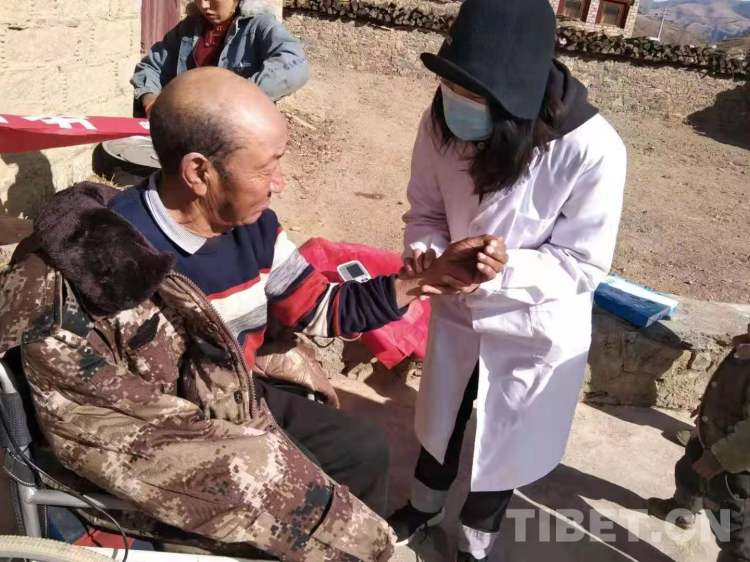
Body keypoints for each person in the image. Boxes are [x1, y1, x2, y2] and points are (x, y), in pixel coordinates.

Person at [0, 67, 503, 562]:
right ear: (199, 172)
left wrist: (425, 280)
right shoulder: (95, 271)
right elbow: (118, 435)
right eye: (266, 168)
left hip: (238, 396)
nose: (279, 183)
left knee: (363, 449)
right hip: (171, 439)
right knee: (318, 518)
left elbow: (320, 308)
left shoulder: (252, 228)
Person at [386, 0, 627, 560]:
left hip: (532, 324)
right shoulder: (440, 122)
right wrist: (429, 255)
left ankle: (475, 544)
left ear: (516, 97)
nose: (455, 103)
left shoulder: (591, 149)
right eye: (450, 87)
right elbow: (425, 211)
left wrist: (498, 268)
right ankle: (422, 508)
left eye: (471, 96)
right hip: (457, 310)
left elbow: (583, 261)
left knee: (505, 439)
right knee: (442, 419)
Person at [648, 324, 750, 562]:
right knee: (689, 472)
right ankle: (681, 510)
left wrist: (719, 458)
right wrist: (707, 411)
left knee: (732, 526)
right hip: (710, 438)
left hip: (735, 466)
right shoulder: (745, 346)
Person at [131, 0, 309, 117]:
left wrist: (233, 97)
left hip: (239, 133)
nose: (204, 5)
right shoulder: (189, 27)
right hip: (189, 129)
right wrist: (151, 103)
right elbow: (151, 67)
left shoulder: (260, 26)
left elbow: (295, 67)